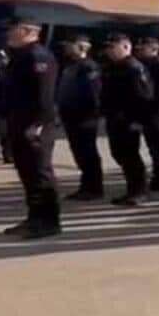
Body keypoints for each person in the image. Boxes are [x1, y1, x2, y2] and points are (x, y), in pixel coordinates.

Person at [1, 16, 62, 239]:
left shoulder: (38, 56)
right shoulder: (21, 56)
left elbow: (44, 96)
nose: (8, 34)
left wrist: (37, 124)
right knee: (28, 172)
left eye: (13, 29)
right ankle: (35, 217)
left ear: (28, 31)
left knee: (40, 173)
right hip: (20, 121)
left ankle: (48, 221)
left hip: (35, 124)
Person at [101, 32, 155, 206]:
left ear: (126, 47)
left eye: (113, 47)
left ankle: (139, 191)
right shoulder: (111, 67)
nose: (109, 51)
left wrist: (139, 120)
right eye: (108, 47)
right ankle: (132, 188)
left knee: (130, 155)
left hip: (129, 121)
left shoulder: (133, 68)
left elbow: (144, 96)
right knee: (120, 154)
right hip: (115, 119)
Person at [56, 34, 105, 202]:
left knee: (88, 153)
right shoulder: (70, 66)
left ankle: (94, 188)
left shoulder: (89, 67)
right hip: (71, 116)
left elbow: (94, 94)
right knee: (79, 153)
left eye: (71, 45)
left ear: (82, 47)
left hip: (84, 117)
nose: (67, 48)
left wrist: (92, 114)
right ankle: (86, 186)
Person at [133, 35, 159, 193]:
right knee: (154, 147)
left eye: (144, 48)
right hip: (148, 112)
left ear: (154, 49)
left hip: (158, 113)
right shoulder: (143, 64)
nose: (140, 51)